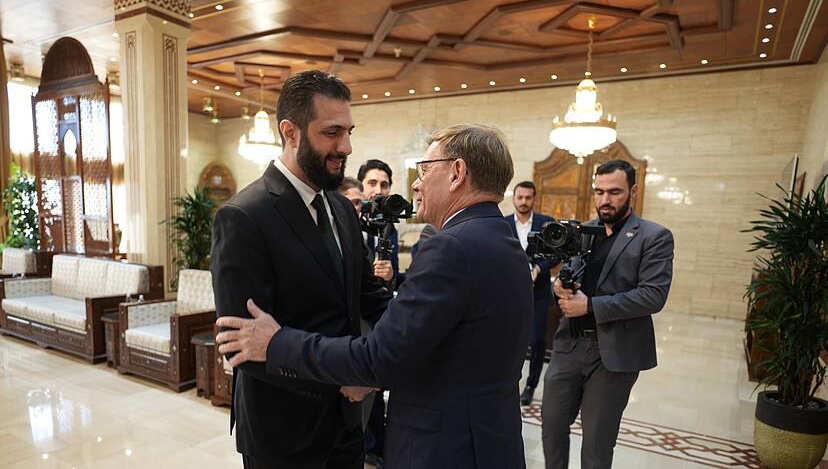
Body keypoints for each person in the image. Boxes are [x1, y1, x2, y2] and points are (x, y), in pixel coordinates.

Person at [217, 123, 533, 469]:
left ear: (457, 172)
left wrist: (277, 343)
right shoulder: (505, 241)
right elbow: (432, 338)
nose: (416, 182)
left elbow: (380, 356)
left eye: (424, 170)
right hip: (489, 441)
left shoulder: (451, 246)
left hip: (445, 448)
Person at [210, 70, 389, 469]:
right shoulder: (243, 216)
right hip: (282, 434)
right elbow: (242, 346)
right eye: (331, 132)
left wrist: (410, 334)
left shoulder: (342, 208)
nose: (346, 146)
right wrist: (345, 377)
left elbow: (366, 298)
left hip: (347, 424)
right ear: (290, 132)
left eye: (349, 131)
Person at [541, 159, 674, 469]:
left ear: (633, 191)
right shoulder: (585, 232)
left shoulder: (654, 236)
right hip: (569, 346)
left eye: (614, 192)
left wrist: (590, 306)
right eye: (599, 192)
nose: (604, 200)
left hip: (613, 353)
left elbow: (653, 296)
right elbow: (569, 277)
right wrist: (558, 287)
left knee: (597, 445)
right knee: (551, 427)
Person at [504, 181, 559, 406]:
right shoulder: (503, 223)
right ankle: (507, 381)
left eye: (528, 198)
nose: (524, 202)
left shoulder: (546, 223)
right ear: (514, 198)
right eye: (520, 197)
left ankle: (530, 385)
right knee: (508, 339)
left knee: (537, 340)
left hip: (539, 293)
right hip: (510, 294)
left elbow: (556, 255)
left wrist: (540, 268)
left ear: (534, 199)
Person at [358, 159, 403, 287]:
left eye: (384, 185)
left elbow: (393, 271)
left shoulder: (390, 228)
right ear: (360, 187)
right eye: (372, 183)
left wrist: (390, 277)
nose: (378, 191)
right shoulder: (348, 223)